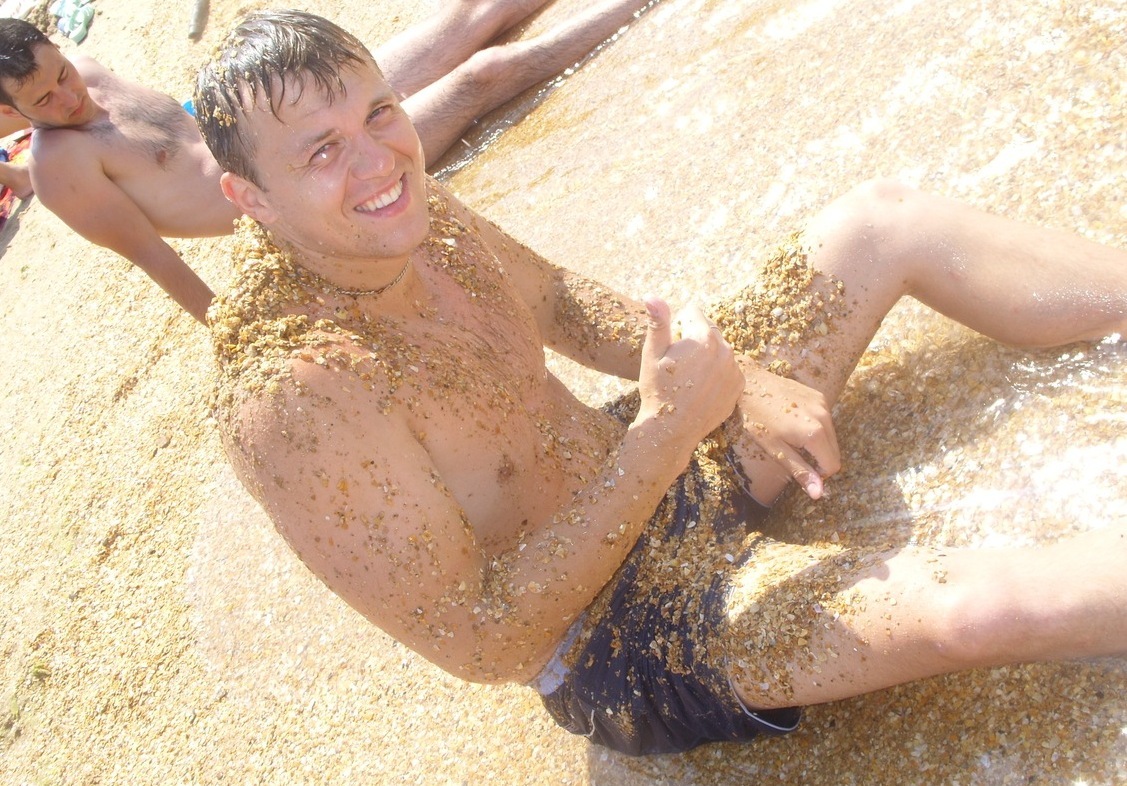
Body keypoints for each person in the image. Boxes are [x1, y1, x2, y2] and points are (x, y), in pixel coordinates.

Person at [194, 9, 1127, 757]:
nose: (377, 161)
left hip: (655, 455)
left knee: (879, 224)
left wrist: (736, 381)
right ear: (250, 199)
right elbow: (482, 641)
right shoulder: (292, 399)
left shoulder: (402, 202)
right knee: (978, 610)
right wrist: (665, 432)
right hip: (622, 633)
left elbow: (555, 300)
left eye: (379, 113)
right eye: (320, 151)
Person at [0, 0, 649, 322]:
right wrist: (249, 341)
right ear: (10, 115)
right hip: (302, 182)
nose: (67, 96)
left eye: (61, 75)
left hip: (282, 116)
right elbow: (157, 261)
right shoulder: (62, 172)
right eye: (43, 100)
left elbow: (184, 122)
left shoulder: (86, 68)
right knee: (486, 74)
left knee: (469, 13)